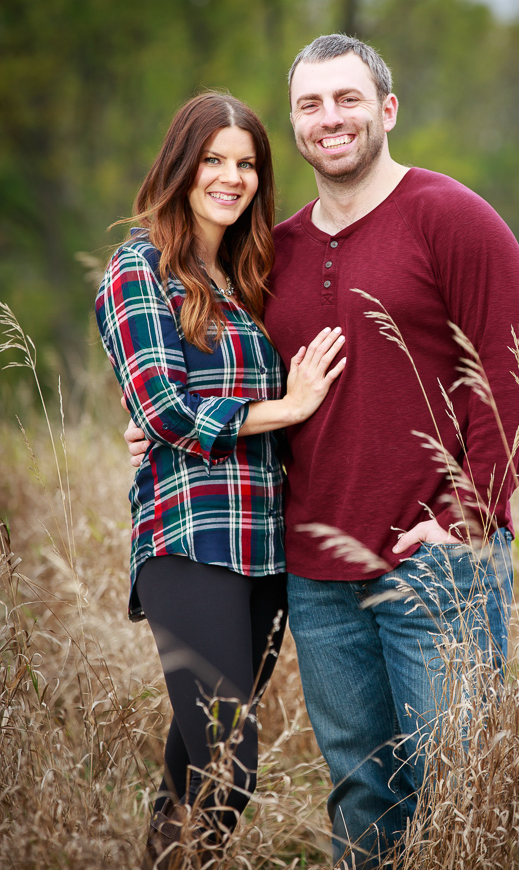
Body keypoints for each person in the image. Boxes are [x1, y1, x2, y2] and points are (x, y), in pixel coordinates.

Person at [126, 37, 519, 869]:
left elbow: (513, 373)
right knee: (362, 789)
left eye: (348, 100)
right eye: (312, 104)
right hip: (315, 571)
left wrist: (467, 517)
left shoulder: (452, 217)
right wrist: (150, 423)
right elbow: (204, 366)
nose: (331, 120)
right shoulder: (268, 251)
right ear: (295, 122)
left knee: (458, 787)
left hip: (435, 560)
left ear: (387, 110)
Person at [96, 90, 346, 869]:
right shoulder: (140, 267)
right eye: (214, 160)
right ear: (181, 165)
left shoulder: (247, 274)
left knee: (190, 767)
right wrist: (285, 405)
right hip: (190, 539)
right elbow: (166, 410)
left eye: (246, 164)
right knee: (227, 767)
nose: (231, 178)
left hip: (265, 547)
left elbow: (178, 410)